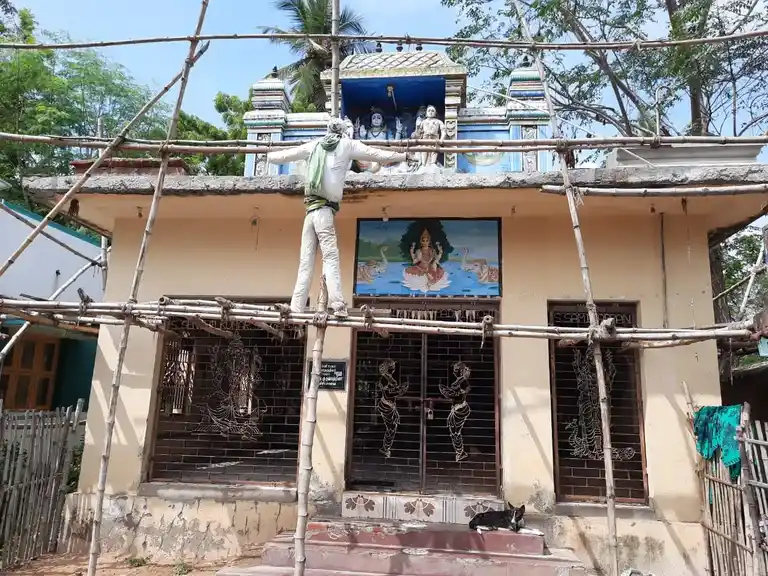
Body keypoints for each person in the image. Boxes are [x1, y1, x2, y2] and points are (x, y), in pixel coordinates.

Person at [267, 117, 406, 318]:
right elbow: (376, 154)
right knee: (330, 257)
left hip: (310, 211)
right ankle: (338, 304)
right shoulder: (346, 144)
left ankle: (297, 306)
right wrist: (403, 156)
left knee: (306, 261)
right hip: (324, 211)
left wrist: (268, 155)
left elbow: (287, 155)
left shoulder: (314, 145)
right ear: (342, 131)